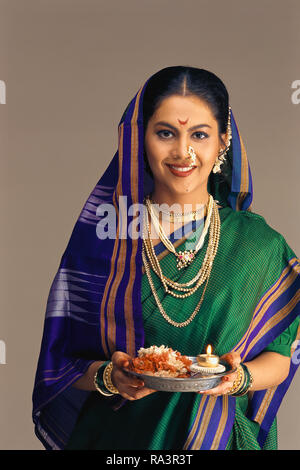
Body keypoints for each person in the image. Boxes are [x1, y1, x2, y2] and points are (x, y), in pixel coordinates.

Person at [32, 66, 300, 450]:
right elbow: (61, 360)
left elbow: (281, 355)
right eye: (165, 133)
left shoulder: (258, 245)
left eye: (200, 135)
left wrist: (238, 379)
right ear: (141, 138)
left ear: (223, 141)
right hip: (120, 438)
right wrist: (111, 377)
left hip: (217, 436)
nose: (182, 152)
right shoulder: (105, 239)